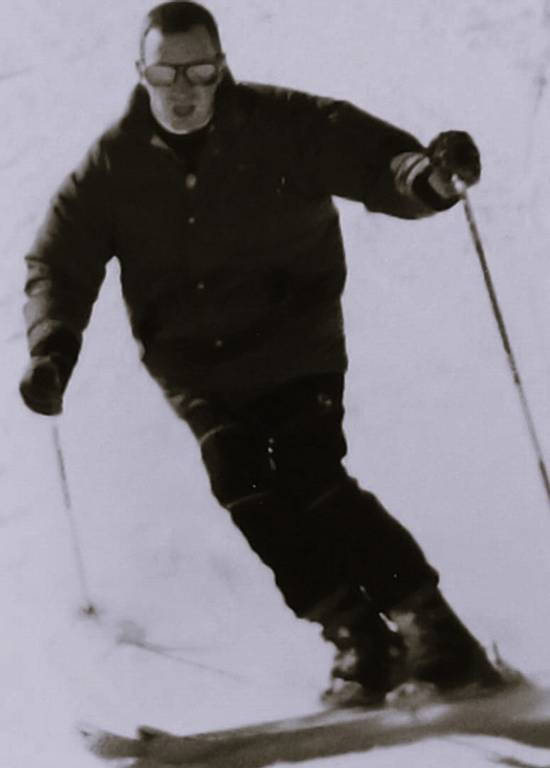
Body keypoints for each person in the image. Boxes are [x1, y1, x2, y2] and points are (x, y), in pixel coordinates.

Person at [20, 1, 506, 705]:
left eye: (200, 71)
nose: (183, 89)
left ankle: (432, 628)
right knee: (242, 484)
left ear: (221, 68)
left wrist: (428, 179)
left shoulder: (281, 125)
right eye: (165, 73)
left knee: (309, 470)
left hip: (293, 345)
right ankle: (356, 635)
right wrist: (53, 347)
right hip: (197, 368)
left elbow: (375, 161)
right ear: (140, 72)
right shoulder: (114, 165)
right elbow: (60, 262)